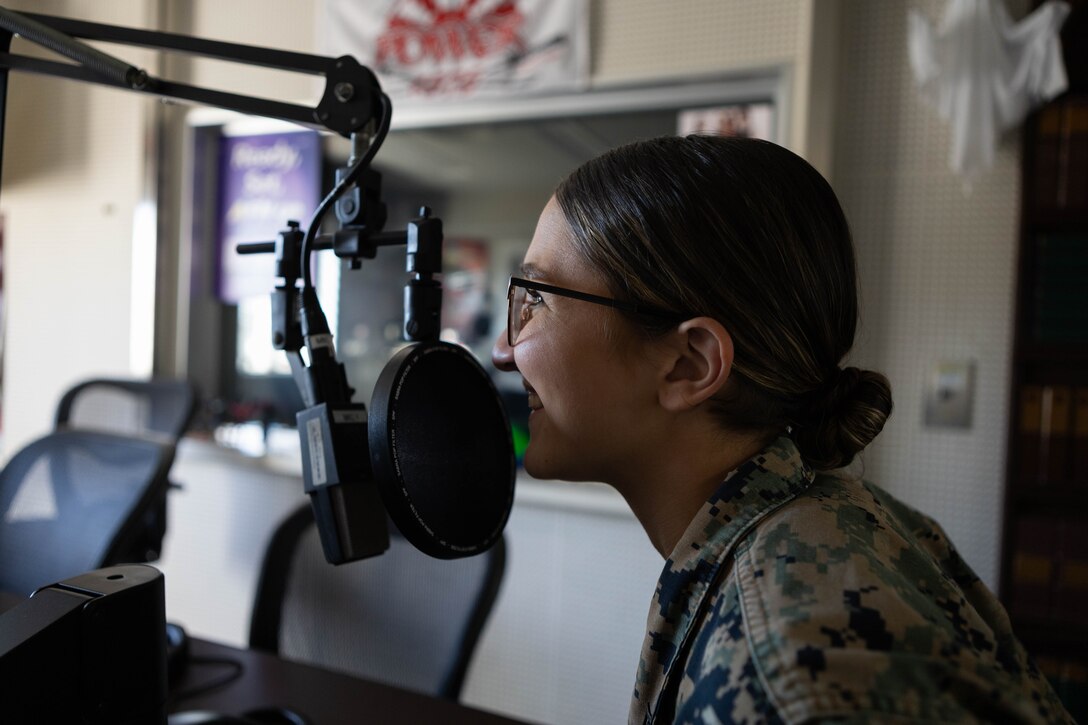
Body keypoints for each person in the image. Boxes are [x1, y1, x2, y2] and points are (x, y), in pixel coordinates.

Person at [490, 135, 1072, 724]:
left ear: (689, 364)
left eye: (535, 299)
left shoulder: (789, 676)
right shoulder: (827, 518)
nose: (502, 350)